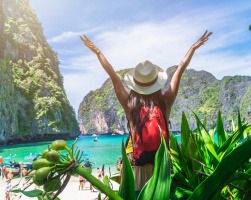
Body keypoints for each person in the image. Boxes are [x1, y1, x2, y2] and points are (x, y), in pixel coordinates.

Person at [80, 30, 212, 193]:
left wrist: (97, 52)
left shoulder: (130, 104)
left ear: (135, 84)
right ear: (156, 81)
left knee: (137, 195)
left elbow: (112, 75)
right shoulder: (165, 101)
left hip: (137, 165)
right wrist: (193, 48)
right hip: (162, 164)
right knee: (162, 195)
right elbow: (180, 70)